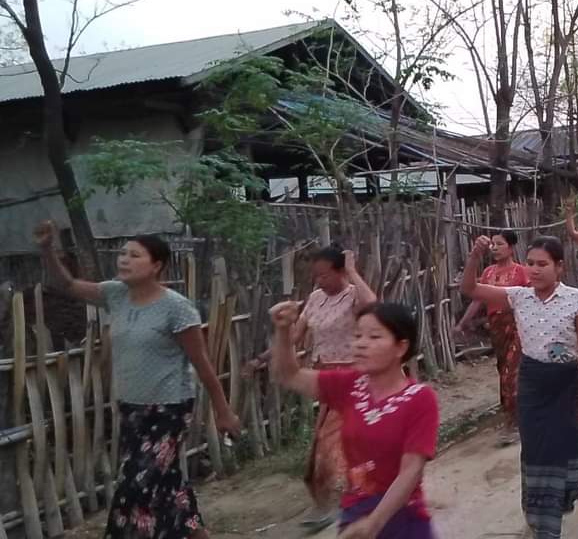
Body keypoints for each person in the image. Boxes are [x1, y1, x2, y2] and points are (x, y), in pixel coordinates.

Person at [33, 221, 242, 539]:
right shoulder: (116, 294)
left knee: (136, 484)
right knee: (166, 479)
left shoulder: (176, 308)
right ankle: (197, 533)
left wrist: (223, 409)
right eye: (123, 253)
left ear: (156, 265)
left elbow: (202, 363)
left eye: (134, 255)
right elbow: (68, 285)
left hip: (169, 409)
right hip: (132, 408)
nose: (124, 259)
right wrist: (47, 249)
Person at [461, 235, 578, 539]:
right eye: (530, 264)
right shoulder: (518, 296)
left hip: (567, 386)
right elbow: (470, 289)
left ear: (560, 267)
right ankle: (545, 526)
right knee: (536, 455)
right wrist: (474, 257)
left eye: (543, 264)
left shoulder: (577, 300)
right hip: (531, 386)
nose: (535, 270)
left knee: (567, 459)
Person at [270, 300, 438, 539]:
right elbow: (289, 375)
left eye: (374, 337)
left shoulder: (420, 399)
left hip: (402, 517)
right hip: (355, 512)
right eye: (358, 335)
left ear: (401, 347)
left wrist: (374, 523)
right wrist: (283, 331)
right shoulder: (349, 386)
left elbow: (411, 472)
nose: (360, 344)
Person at [246, 246, 377, 530]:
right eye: (315, 276)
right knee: (327, 440)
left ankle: (329, 504)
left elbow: (373, 305)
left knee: (328, 442)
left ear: (341, 272)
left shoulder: (353, 295)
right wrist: (263, 357)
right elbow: (293, 335)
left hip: (353, 377)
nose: (318, 281)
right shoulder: (316, 299)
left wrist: (354, 271)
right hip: (325, 379)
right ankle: (349, 495)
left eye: (325, 275)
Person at [454, 230, 529, 446]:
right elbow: (477, 299)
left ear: (511, 247)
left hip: (516, 326)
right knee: (503, 370)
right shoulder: (487, 273)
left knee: (510, 374)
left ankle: (514, 424)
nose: (495, 248)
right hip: (496, 328)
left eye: (500, 244)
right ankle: (512, 414)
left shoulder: (521, 272)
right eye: (493, 244)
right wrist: (463, 322)